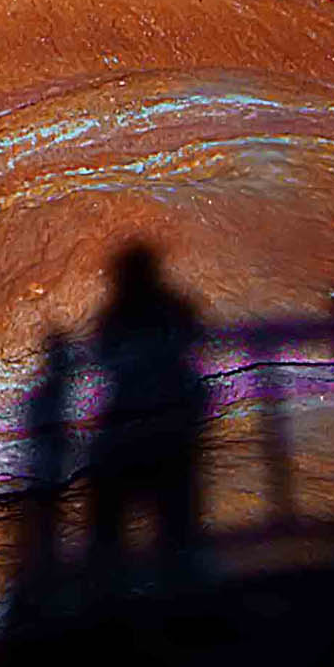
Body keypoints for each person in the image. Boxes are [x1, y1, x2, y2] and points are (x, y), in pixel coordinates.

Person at [83, 244, 209, 575]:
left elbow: (103, 351)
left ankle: (131, 581)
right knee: (174, 508)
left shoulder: (118, 312)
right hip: (166, 409)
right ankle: (179, 575)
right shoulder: (173, 306)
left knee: (127, 511)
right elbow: (195, 339)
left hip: (138, 409)